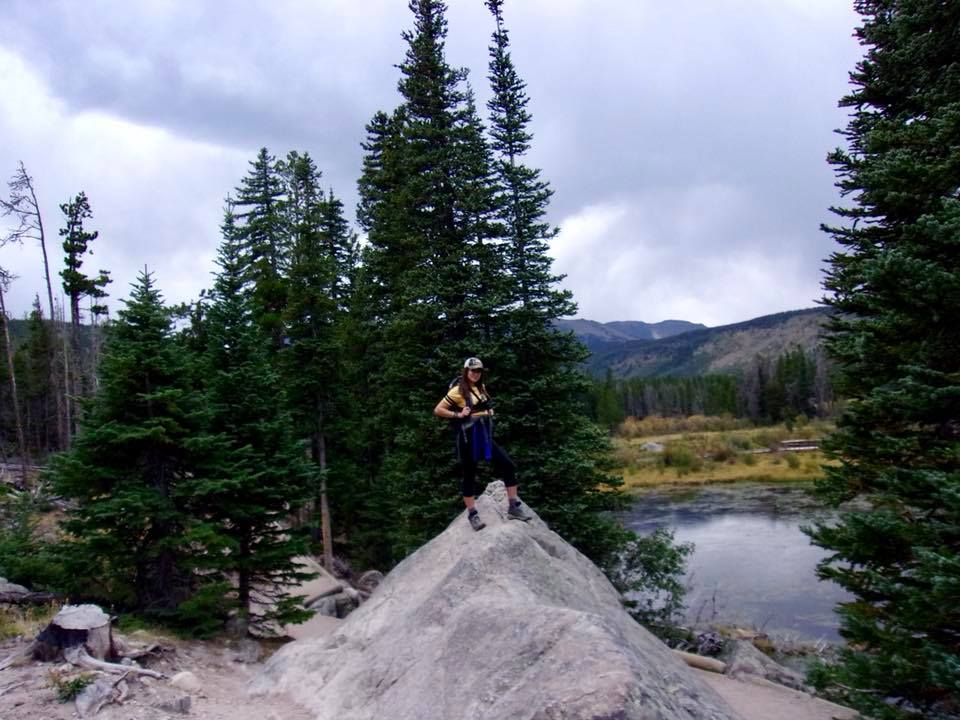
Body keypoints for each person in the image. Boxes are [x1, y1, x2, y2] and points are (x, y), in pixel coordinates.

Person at [434, 357, 531, 530]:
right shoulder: (457, 390)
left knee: (508, 465)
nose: (475, 373)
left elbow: (481, 407)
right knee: (469, 475)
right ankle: (473, 515)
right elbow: (438, 410)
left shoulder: (481, 387)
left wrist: (488, 411)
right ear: (466, 371)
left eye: (478, 371)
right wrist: (458, 415)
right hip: (468, 438)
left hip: (483, 436)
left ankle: (513, 507)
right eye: (472, 370)